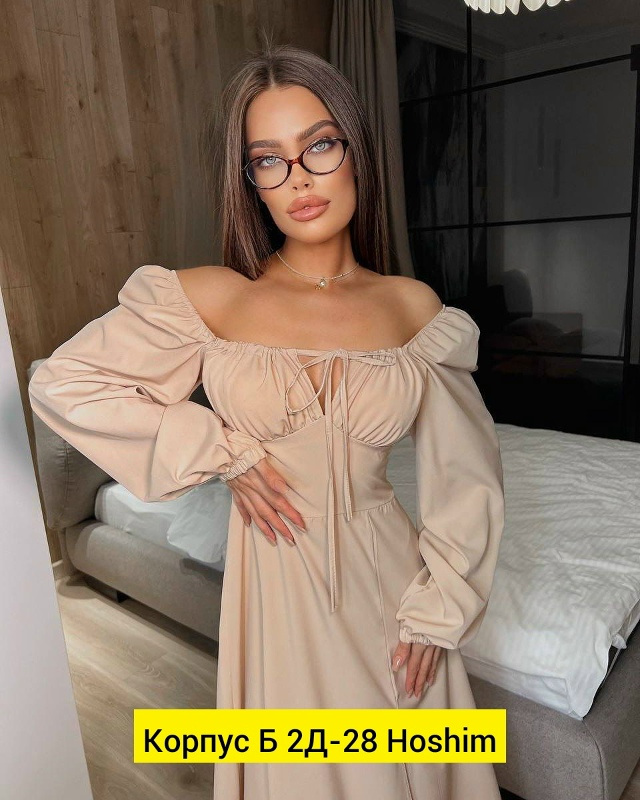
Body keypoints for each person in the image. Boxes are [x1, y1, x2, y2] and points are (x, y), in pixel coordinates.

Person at [28, 42, 505, 800]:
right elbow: (63, 383)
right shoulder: (216, 298)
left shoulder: (412, 308)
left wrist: (439, 609)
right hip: (275, 589)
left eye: (319, 146)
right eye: (268, 160)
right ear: (250, 182)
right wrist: (224, 450)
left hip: (393, 589)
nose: (299, 178)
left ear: (355, 152)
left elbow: (467, 476)